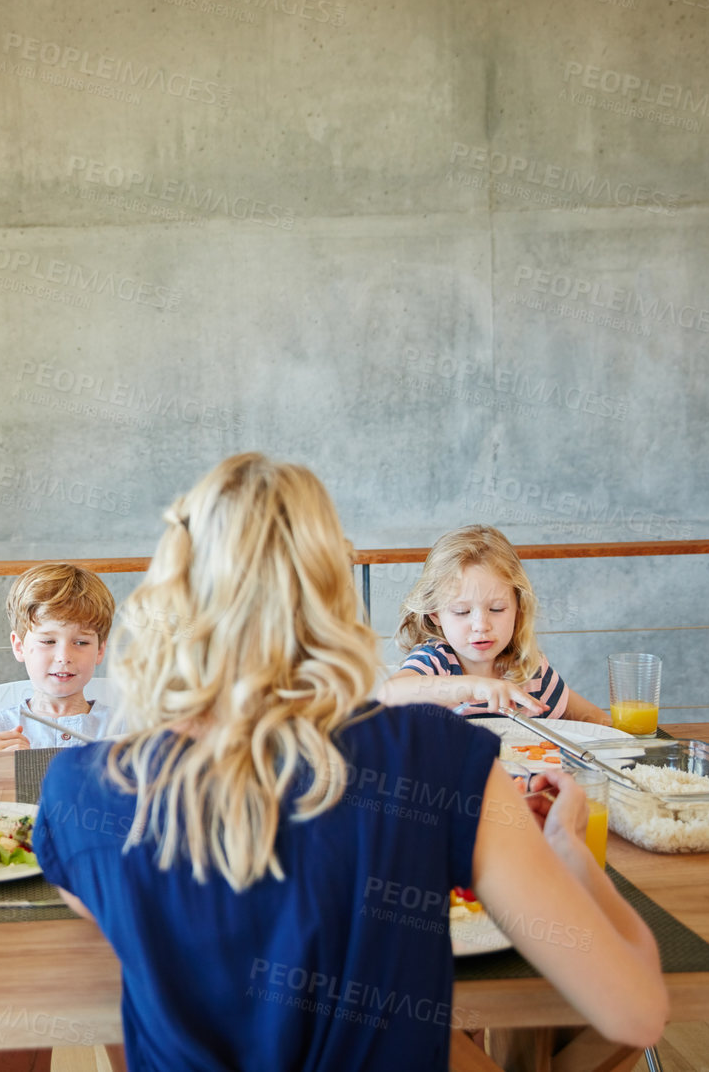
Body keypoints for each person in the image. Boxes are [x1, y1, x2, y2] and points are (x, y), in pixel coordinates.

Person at [33, 455, 666, 1071]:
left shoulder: (77, 789)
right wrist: (571, 854)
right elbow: (635, 1015)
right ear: (332, 588)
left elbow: (146, 927)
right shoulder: (436, 755)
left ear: (175, 592)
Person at [378, 524, 609, 723]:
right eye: (462, 611)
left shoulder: (530, 671)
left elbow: (600, 724)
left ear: (519, 608)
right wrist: (475, 687)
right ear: (434, 613)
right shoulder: (435, 662)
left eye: (497, 609)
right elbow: (389, 693)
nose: (481, 625)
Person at [0, 562, 116, 752]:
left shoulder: (126, 729)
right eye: (48, 642)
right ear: (19, 647)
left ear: (100, 650)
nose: (63, 657)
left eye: (81, 643)